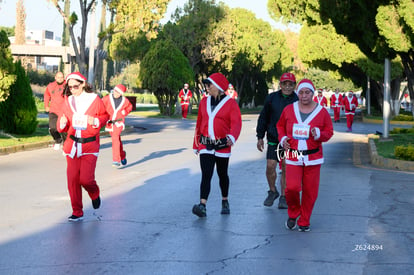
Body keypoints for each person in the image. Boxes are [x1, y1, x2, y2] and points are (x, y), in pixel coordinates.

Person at [277, 78, 333, 232]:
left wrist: (319, 134)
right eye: (300, 92)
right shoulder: (289, 109)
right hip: (293, 156)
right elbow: (280, 125)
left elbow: (329, 132)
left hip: (313, 158)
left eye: (307, 92)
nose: (304, 96)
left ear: (312, 94)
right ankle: (294, 213)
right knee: (292, 188)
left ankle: (304, 220)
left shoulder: (321, 112)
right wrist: (282, 139)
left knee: (310, 191)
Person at [57, 72, 109, 222]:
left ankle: (94, 193)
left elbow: (105, 116)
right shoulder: (68, 101)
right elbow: (63, 121)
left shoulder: (94, 100)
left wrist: (95, 121)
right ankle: (77, 211)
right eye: (70, 87)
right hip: (72, 145)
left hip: (90, 145)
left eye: (75, 86)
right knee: (72, 180)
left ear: (83, 84)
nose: (72, 89)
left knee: (86, 179)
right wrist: (61, 124)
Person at [192, 72, 242, 217]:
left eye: (210, 84)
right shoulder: (203, 102)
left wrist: (232, 137)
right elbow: (199, 123)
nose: (207, 87)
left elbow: (236, 123)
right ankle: (202, 205)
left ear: (219, 87)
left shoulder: (231, 103)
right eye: (207, 84)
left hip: (222, 145)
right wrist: (196, 143)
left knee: (222, 174)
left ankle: (225, 200)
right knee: (206, 174)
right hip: (205, 145)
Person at [256, 72, 298, 209]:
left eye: (290, 84)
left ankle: (284, 197)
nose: (287, 87)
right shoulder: (271, 98)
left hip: (290, 141)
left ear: (294, 86)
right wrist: (260, 136)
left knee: (286, 168)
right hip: (274, 139)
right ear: (280, 85)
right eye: (284, 84)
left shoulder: (297, 101)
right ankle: (272, 191)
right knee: (270, 166)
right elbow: (263, 118)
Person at [102, 84, 133, 168]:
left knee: (115, 138)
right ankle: (122, 155)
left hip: (119, 122)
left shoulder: (125, 101)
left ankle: (116, 160)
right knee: (117, 139)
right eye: (115, 91)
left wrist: (125, 112)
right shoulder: (106, 98)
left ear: (121, 94)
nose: (116, 93)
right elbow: (100, 106)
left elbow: (130, 107)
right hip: (110, 123)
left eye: (118, 92)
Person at [44, 71, 67, 150]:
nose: (60, 79)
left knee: (64, 129)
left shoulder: (66, 85)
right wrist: (46, 105)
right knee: (52, 128)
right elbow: (47, 95)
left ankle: (66, 145)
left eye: (62, 77)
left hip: (64, 111)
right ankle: (58, 140)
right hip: (53, 110)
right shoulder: (51, 86)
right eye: (58, 77)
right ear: (55, 78)